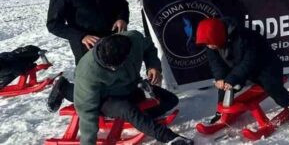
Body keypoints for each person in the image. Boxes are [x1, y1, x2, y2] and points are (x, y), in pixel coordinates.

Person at [46, 32, 190, 145]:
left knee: (171, 100)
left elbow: (149, 48)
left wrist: (153, 66)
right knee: (125, 109)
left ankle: (139, 120)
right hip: (104, 97)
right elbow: (87, 112)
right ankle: (170, 138)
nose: (114, 70)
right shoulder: (87, 72)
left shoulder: (134, 40)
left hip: (129, 87)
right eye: (111, 68)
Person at [196, 18, 289, 127]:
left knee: (271, 85)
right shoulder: (212, 44)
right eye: (207, 44)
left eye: (210, 43)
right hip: (239, 68)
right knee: (224, 86)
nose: (209, 46)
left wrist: (233, 78)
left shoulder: (244, 38)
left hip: (265, 65)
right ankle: (221, 113)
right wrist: (220, 78)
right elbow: (216, 63)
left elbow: (249, 61)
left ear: (217, 35)